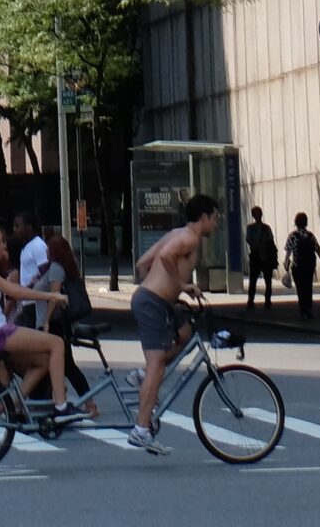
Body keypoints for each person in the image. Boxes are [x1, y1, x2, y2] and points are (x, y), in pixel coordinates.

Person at [126, 193, 219, 454]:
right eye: (215, 219)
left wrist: (165, 291)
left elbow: (143, 262)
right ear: (204, 217)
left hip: (156, 302)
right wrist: (181, 286)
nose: (216, 224)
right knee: (157, 364)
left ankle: (145, 375)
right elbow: (166, 257)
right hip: (152, 303)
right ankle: (141, 430)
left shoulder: (177, 233)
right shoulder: (189, 238)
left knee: (187, 331)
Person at [0, 219, 80, 419]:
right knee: (57, 343)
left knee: (43, 361)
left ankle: (12, 405)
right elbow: (15, 291)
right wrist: (51, 296)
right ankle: (61, 406)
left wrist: (4, 257)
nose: (3, 246)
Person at [9, 210, 95, 410]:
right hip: (52, 324)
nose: (46, 250)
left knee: (65, 366)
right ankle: (46, 400)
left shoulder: (56, 268)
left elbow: (54, 298)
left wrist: (46, 321)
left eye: (50, 248)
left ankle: (84, 404)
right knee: (57, 366)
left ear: (55, 251)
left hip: (54, 325)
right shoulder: (54, 268)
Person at [284, 211, 320, 322]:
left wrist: (286, 264)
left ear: (296, 223)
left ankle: (303, 310)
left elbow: (288, 252)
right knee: (308, 286)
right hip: (310, 265)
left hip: (297, 266)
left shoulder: (292, 236)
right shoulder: (310, 235)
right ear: (306, 222)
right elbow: (317, 250)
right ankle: (309, 308)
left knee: (300, 288)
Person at [245, 207, 278, 309]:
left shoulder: (266, 228)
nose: (258, 216)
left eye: (259, 213)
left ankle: (267, 300)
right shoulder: (251, 228)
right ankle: (251, 300)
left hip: (265, 255)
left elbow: (270, 240)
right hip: (256, 255)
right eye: (256, 214)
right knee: (253, 279)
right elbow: (249, 240)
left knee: (267, 280)